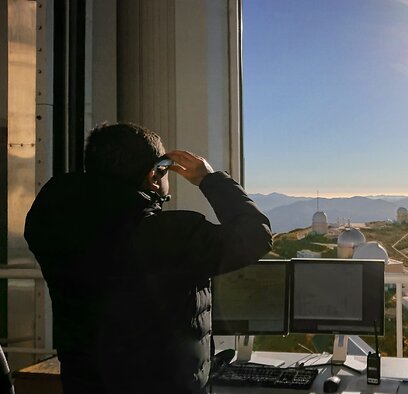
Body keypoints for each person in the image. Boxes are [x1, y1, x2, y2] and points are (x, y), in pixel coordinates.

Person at [24, 123, 272, 394]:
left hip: (84, 383)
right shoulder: (168, 234)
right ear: (155, 175)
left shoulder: (50, 226)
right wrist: (209, 179)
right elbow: (255, 237)